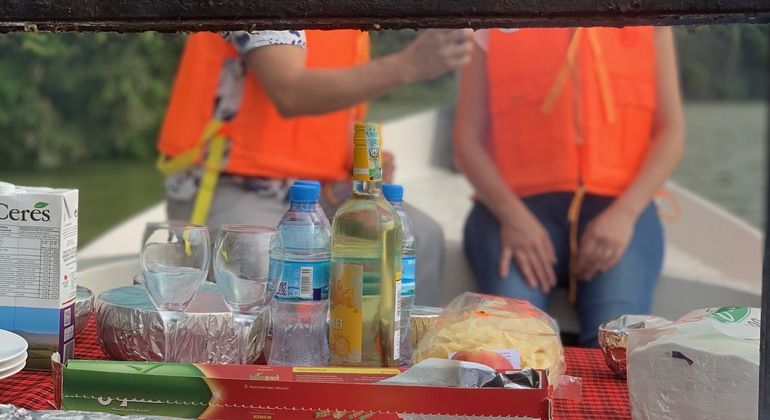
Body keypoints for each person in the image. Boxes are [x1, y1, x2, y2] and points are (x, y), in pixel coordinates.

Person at [157, 29, 473, 306]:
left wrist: (355, 158)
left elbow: (325, 105)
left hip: (317, 189)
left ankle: (395, 353)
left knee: (416, 238)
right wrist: (409, 64)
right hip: (233, 184)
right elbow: (289, 90)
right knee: (260, 261)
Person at [453, 27, 685, 346]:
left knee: (616, 346)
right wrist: (513, 218)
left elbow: (671, 132)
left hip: (620, 211)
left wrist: (624, 215)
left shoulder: (650, 17)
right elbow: (467, 140)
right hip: (511, 211)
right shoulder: (491, 17)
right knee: (511, 346)